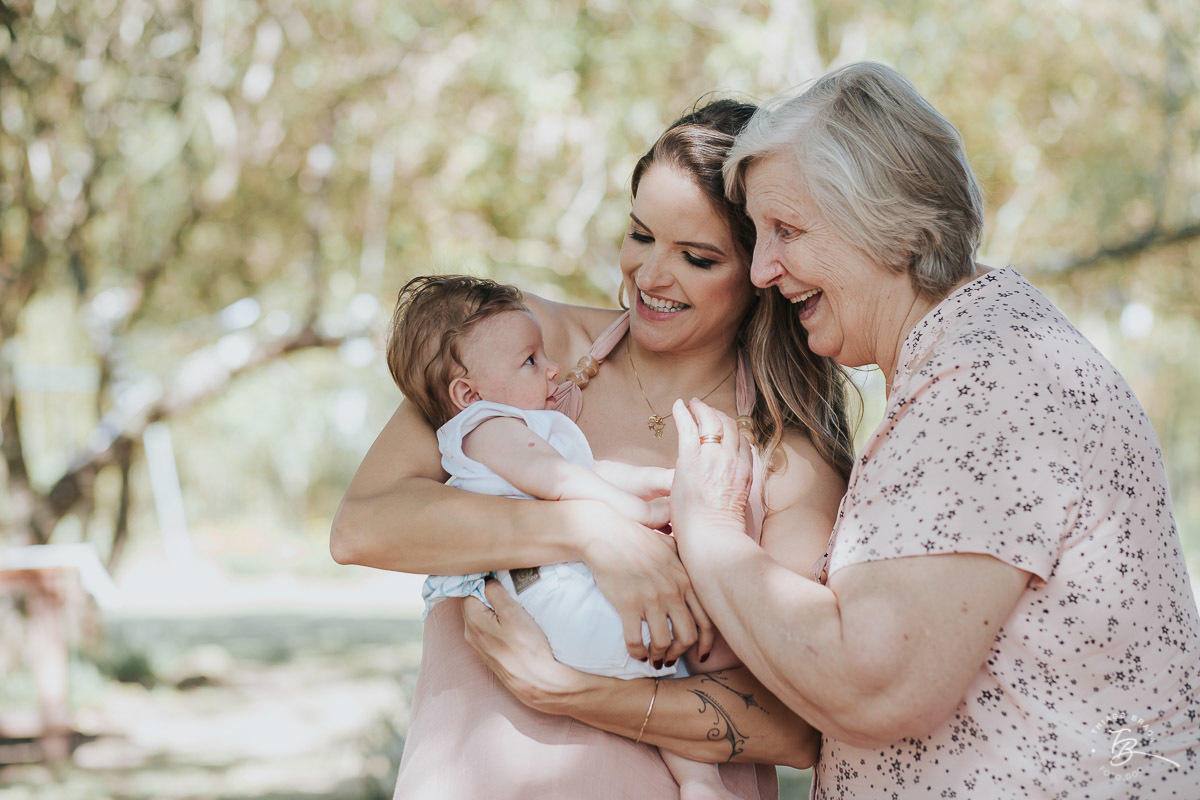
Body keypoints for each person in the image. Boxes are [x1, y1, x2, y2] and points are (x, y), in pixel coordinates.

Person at [644, 61, 1200, 797]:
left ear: (889, 222)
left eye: (787, 230)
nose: (763, 270)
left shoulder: (990, 385)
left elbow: (872, 685)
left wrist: (709, 529)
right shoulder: (975, 358)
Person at [331, 99, 853, 798]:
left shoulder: (788, 458)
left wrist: (572, 691)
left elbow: (794, 728)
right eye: (640, 235)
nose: (651, 275)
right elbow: (363, 528)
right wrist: (590, 533)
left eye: (697, 257)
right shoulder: (517, 348)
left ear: (763, 269)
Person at [388, 272, 752, 799]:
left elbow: (591, 470)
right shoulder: (486, 428)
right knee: (660, 648)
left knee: (662, 671)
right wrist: (640, 513)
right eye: (530, 361)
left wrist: (663, 485)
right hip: (536, 592)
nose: (552, 367)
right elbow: (560, 482)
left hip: (556, 587)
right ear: (468, 392)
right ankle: (700, 767)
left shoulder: (528, 426)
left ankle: (699, 782)